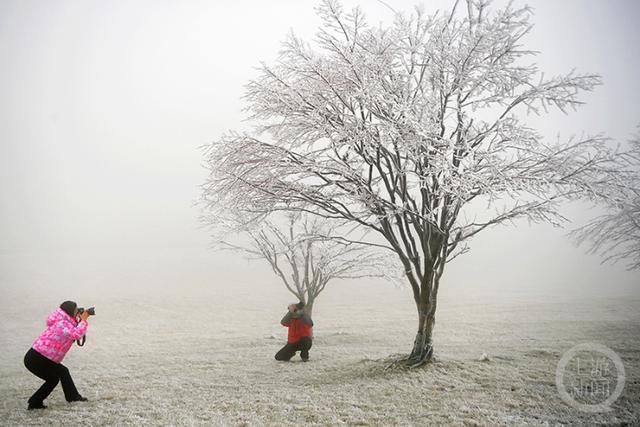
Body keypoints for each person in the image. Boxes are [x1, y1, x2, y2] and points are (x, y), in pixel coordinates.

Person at [23, 301, 90, 410]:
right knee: (60, 373)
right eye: (76, 310)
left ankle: (35, 402)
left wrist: (80, 319)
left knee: (55, 378)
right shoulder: (62, 323)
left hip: (40, 357)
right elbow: (77, 334)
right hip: (37, 358)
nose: (77, 311)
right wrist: (83, 320)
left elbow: (74, 331)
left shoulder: (64, 322)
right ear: (69, 311)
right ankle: (72, 397)